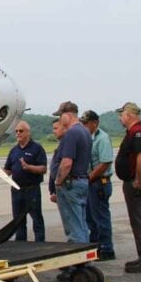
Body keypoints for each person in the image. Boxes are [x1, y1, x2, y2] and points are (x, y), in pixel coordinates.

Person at [114, 102, 141, 273]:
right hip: (136, 179)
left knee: (140, 219)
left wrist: (138, 180)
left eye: (121, 115)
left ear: (129, 115)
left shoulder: (138, 131)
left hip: (139, 180)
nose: (120, 118)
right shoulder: (135, 131)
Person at [51, 101, 92, 244]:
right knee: (81, 224)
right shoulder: (85, 131)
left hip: (70, 184)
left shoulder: (71, 133)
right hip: (81, 181)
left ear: (67, 115)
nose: (60, 120)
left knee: (73, 227)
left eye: (60, 116)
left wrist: (58, 181)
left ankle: (77, 253)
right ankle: (85, 252)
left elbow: (67, 163)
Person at [3, 121, 47, 242]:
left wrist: (29, 167)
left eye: (21, 131)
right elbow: (8, 170)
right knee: (18, 221)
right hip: (16, 190)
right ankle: (21, 244)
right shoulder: (13, 150)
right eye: (16, 131)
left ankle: (40, 244)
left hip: (32, 190)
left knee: (36, 219)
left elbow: (43, 169)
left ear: (28, 132)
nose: (18, 133)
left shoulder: (37, 148)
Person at [80, 110, 115, 260]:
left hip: (99, 182)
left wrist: (89, 177)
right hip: (90, 183)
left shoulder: (102, 138)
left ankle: (106, 249)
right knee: (90, 218)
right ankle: (95, 247)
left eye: (86, 123)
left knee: (101, 218)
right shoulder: (86, 138)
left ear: (95, 123)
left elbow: (105, 162)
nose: (84, 126)